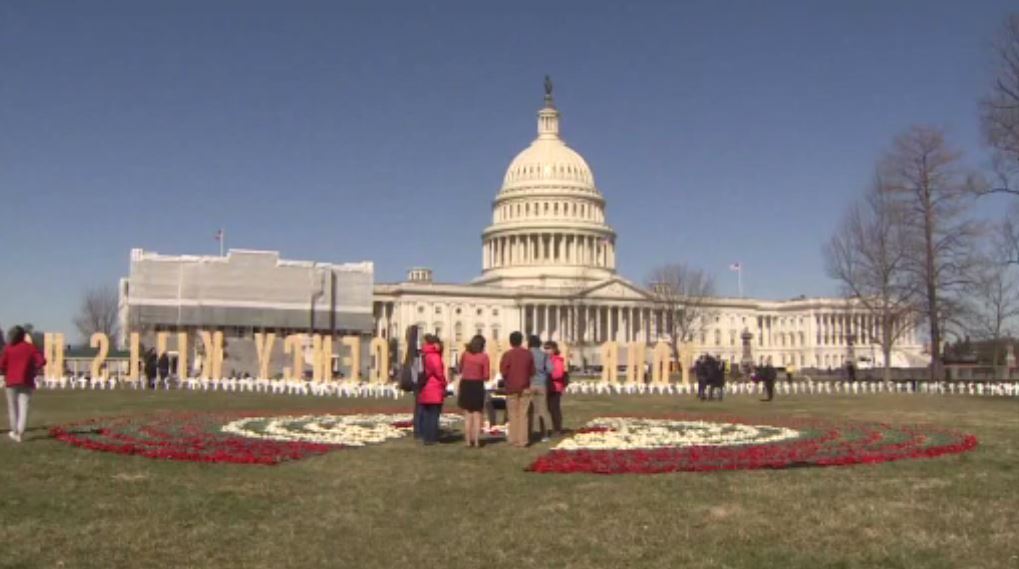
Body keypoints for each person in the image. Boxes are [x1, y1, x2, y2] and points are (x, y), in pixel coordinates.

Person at [0, 326, 46, 442]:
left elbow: (1, 365)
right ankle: (20, 433)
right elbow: (42, 361)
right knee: (23, 407)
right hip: (27, 381)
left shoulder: (9, 348)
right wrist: (34, 368)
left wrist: (6, 370)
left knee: (12, 407)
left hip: (11, 381)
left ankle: (14, 431)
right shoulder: (31, 348)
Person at [499, 331, 534, 448]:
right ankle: (523, 440)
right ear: (521, 340)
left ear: (510, 341)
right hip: (525, 386)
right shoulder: (528, 354)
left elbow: (503, 371)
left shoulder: (507, 354)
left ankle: (513, 439)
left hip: (511, 387)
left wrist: (508, 379)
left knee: (512, 414)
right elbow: (532, 371)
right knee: (523, 414)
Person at [458, 335, 490, 448]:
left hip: (466, 385)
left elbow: (460, 368)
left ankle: (467, 442)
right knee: (477, 416)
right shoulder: (484, 357)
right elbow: (486, 376)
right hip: (477, 385)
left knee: (467, 416)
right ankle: (476, 441)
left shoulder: (465, 354)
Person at [418, 334, 447, 445]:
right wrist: (444, 382)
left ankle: (426, 436)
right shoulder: (434, 356)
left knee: (427, 414)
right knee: (434, 415)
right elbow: (438, 371)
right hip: (434, 387)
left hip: (426, 387)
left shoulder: (425, 355)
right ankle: (432, 438)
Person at [527, 335, 553, 442]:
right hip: (541, 384)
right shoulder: (544, 355)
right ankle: (544, 434)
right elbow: (550, 369)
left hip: (530, 383)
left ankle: (529, 433)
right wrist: (543, 374)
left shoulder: (527, 354)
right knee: (543, 410)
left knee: (530, 410)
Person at [545, 341, 567, 434]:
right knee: (550, 408)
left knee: (554, 408)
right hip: (548, 387)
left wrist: (547, 374)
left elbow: (558, 374)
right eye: (545, 348)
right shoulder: (546, 359)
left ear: (554, 349)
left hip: (555, 387)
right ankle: (555, 427)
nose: (546, 351)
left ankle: (558, 428)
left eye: (548, 348)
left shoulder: (557, 360)